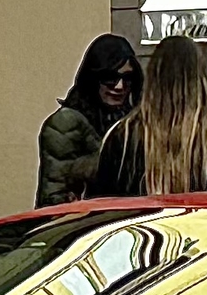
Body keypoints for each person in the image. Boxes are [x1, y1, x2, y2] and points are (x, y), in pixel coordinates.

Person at [88, 35, 207, 197]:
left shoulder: (122, 137)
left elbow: (102, 204)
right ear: (200, 78)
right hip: (204, 225)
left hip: (144, 225)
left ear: (152, 77)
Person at [36, 35, 139, 206]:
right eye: (110, 77)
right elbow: (54, 198)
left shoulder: (127, 119)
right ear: (94, 77)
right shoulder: (66, 122)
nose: (120, 86)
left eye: (128, 78)